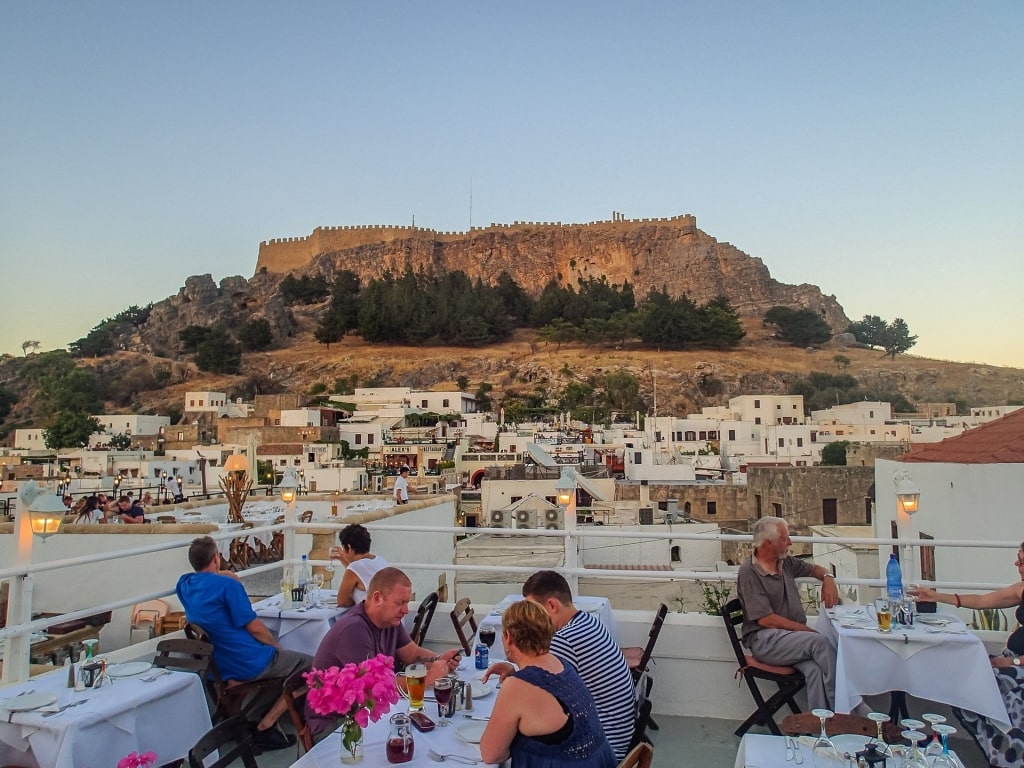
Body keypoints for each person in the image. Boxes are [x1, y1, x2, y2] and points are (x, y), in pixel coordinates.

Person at [177, 536, 309, 751]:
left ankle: (249, 717)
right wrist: (276, 647)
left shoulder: (184, 583)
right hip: (245, 660)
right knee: (311, 666)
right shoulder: (227, 586)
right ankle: (266, 724)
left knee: (280, 672)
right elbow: (254, 627)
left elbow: (209, 579)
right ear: (216, 558)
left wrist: (221, 573)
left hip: (215, 665)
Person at [484, 571, 634, 760]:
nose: (531, 618)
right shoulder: (589, 621)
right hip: (611, 739)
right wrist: (516, 672)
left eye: (533, 611)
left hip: (599, 746)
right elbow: (547, 684)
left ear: (552, 605)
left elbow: (536, 693)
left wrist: (514, 682)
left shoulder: (564, 640)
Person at [306, 567, 460, 736]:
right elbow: (374, 688)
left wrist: (439, 659)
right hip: (337, 724)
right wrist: (428, 679)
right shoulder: (353, 630)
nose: (406, 610)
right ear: (377, 598)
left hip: (366, 713)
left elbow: (411, 652)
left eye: (407, 602)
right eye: (400, 603)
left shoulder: (389, 621)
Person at [910, 544, 1024, 767]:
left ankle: (1009, 756)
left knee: (984, 683)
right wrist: (935, 596)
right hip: (1012, 659)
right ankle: (1000, 750)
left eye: (1021, 561)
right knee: (963, 674)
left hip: (1018, 664)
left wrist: (1011, 662)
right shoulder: (1022, 588)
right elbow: (983, 602)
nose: (1016, 564)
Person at [479, 600, 615, 768]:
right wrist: (515, 672)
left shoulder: (516, 686)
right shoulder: (563, 664)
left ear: (508, 637)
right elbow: (546, 692)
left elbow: (491, 754)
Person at [736, 516, 839, 711]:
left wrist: (828, 578)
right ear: (768, 543)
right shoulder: (750, 572)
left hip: (789, 639)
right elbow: (766, 619)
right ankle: (847, 710)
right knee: (820, 642)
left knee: (815, 670)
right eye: (784, 539)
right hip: (765, 641)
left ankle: (822, 723)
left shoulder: (785, 563)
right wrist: (805, 631)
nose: (790, 543)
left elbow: (815, 569)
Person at [329, 523, 389, 607]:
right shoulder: (380, 560)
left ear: (349, 547)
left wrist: (354, 599)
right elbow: (359, 574)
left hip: (374, 617)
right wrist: (344, 560)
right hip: (390, 614)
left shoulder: (354, 568)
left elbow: (342, 601)